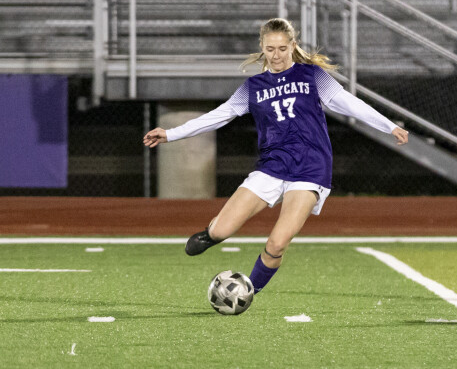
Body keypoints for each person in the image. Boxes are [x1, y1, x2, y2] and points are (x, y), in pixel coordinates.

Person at [143, 18, 408, 294]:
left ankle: (247, 293)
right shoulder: (253, 87)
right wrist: (171, 134)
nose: (277, 55)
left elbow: (349, 103)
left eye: (282, 48)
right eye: (270, 49)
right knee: (221, 231)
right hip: (271, 167)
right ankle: (212, 234)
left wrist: (388, 125)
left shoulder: (312, 75)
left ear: (293, 46)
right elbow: (218, 117)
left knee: (277, 243)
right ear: (262, 47)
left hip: (310, 168)